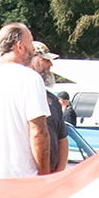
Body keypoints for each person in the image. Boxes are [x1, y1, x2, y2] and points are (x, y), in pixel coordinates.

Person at [0, 23, 50, 178]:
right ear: (19, 46)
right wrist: (44, 178)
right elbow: (38, 132)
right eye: (30, 43)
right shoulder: (30, 78)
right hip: (22, 180)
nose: (33, 49)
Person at [29, 41, 69, 173]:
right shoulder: (22, 97)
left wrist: (58, 174)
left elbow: (62, 139)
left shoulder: (52, 100)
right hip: (28, 178)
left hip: (51, 179)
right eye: (46, 60)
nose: (50, 64)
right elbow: (37, 135)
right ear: (33, 59)